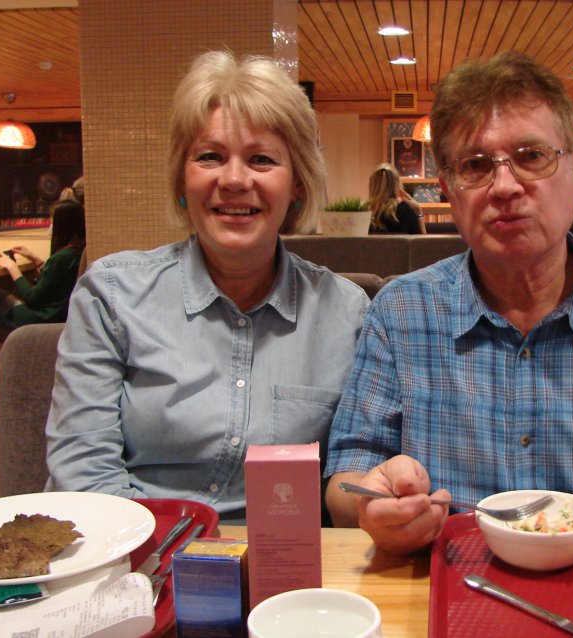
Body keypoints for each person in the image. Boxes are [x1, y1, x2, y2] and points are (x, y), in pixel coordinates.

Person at [324, 51, 573, 555]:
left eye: (532, 156)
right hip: (443, 581)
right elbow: (345, 478)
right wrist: (371, 504)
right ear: (449, 190)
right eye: (475, 165)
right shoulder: (401, 312)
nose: (505, 186)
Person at [45, 51, 369, 520]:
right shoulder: (111, 296)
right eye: (210, 157)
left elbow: (353, 469)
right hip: (141, 546)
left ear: (297, 183)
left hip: (282, 558)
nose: (234, 179)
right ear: (182, 178)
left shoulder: (347, 312)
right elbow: (83, 472)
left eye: (261, 159)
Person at [0, 199, 86, 416]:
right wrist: (35, 259)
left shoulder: (63, 257)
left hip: (41, 317)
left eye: (53, 222)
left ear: (63, 226)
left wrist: (12, 268)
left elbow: (33, 298)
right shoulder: (75, 253)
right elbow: (53, 284)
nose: (50, 228)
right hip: (55, 313)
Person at [367, 163, 425, 234]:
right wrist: (418, 211)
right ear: (397, 185)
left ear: (372, 185)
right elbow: (421, 240)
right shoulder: (404, 210)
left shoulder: (362, 211)